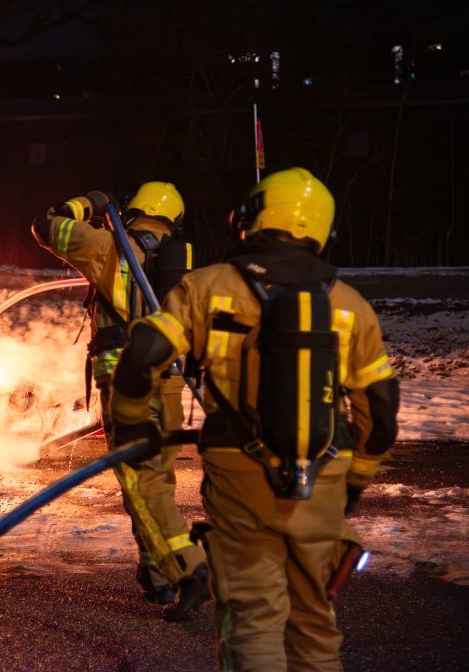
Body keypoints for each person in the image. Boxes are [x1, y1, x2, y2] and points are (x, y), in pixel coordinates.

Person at [110, 168, 400, 670]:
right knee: (315, 628)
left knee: (253, 622)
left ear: (252, 218)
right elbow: (381, 414)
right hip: (324, 477)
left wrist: (134, 426)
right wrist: (352, 484)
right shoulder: (351, 306)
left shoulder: (208, 287)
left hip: (238, 477)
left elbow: (140, 359)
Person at [31, 181, 209, 619]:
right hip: (169, 384)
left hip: (127, 384)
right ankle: (157, 575)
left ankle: (187, 570)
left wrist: (90, 203)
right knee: (154, 482)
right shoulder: (179, 265)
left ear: (134, 210)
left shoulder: (108, 246)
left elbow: (45, 225)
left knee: (139, 486)